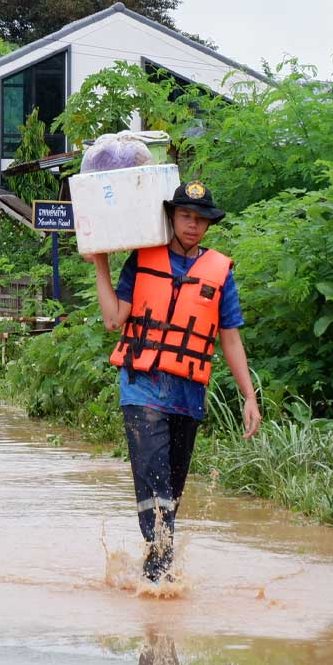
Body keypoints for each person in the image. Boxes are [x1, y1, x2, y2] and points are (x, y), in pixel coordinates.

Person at [91, 181, 261, 582]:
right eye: (186, 216)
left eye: (201, 219)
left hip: (188, 395)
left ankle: (154, 572)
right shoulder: (143, 259)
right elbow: (115, 319)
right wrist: (100, 263)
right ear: (172, 217)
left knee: (171, 497)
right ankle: (161, 583)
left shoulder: (220, 272)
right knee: (155, 489)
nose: (193, 225)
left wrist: (249, 396)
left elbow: (230, 338)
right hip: (142, 387)